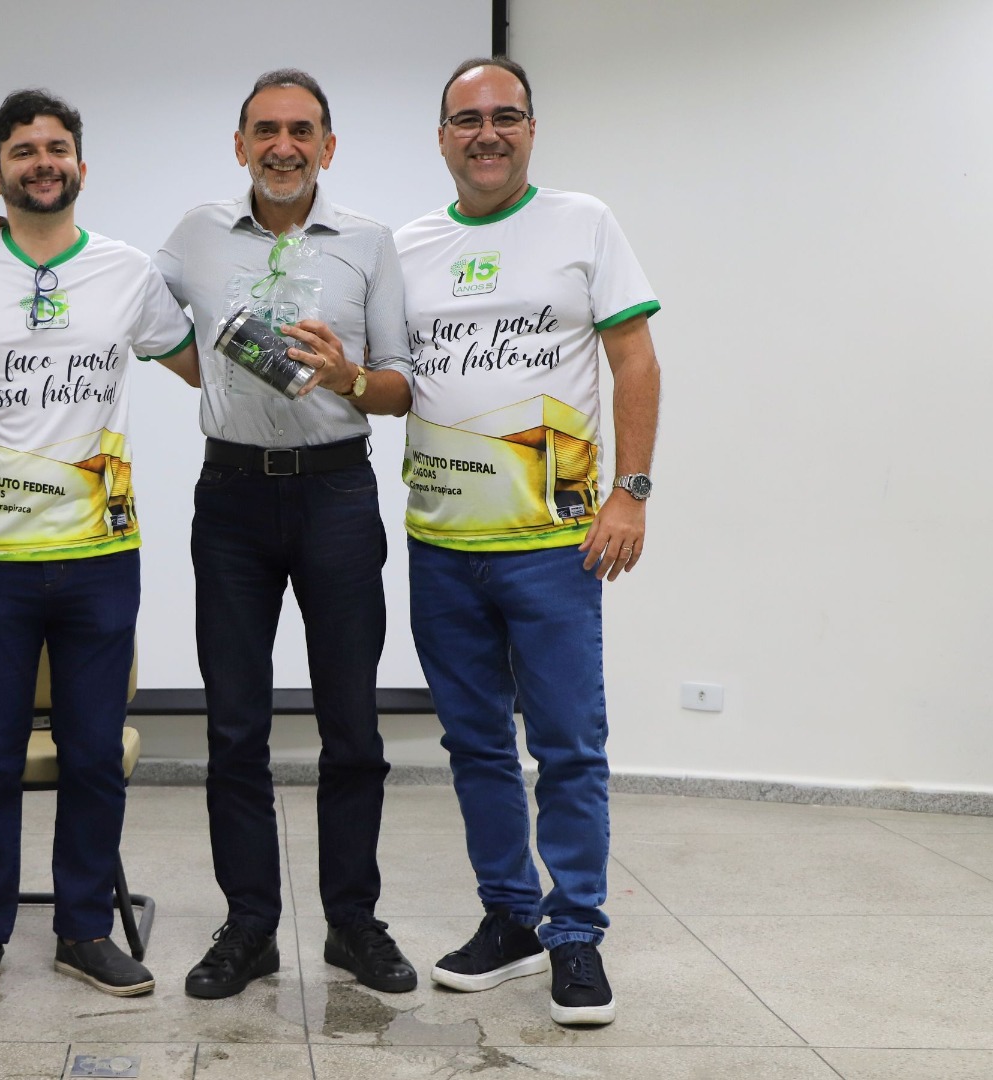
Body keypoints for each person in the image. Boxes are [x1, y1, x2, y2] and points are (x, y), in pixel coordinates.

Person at [0, 69, 417, 1001]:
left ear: (327, 147)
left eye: (301, 131)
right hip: (233, 499)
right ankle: (248, 927)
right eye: (263, 131)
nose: (282, 145)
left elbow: (402, 389)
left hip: (334, 496)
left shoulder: (371, 244)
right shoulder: (192, 238)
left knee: (353, 728)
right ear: (238, 146)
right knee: (234, 729)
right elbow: (86, 275)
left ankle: (352, 923)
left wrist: (345, 378)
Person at [0, 89, 199, 1008]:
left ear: (80, 164)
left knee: (90, 752)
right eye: (24, 151)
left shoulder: (126, 274)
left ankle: (84, 930)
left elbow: (201, 366)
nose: (44, 161)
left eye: (58, 147)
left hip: (99, 554)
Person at [395, 57, 661, 1027]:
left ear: (532, 130)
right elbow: (390, 380)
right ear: (441, 138)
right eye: (467, 119)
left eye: (505, 116)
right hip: (440, 541)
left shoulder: (582, 223)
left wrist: (629, 493)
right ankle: (507, 917)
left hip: (555, 543)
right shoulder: (408, 247)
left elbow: (634, 358)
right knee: (475, 744)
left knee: (568, 745)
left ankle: (576, 934)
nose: (487, 133)